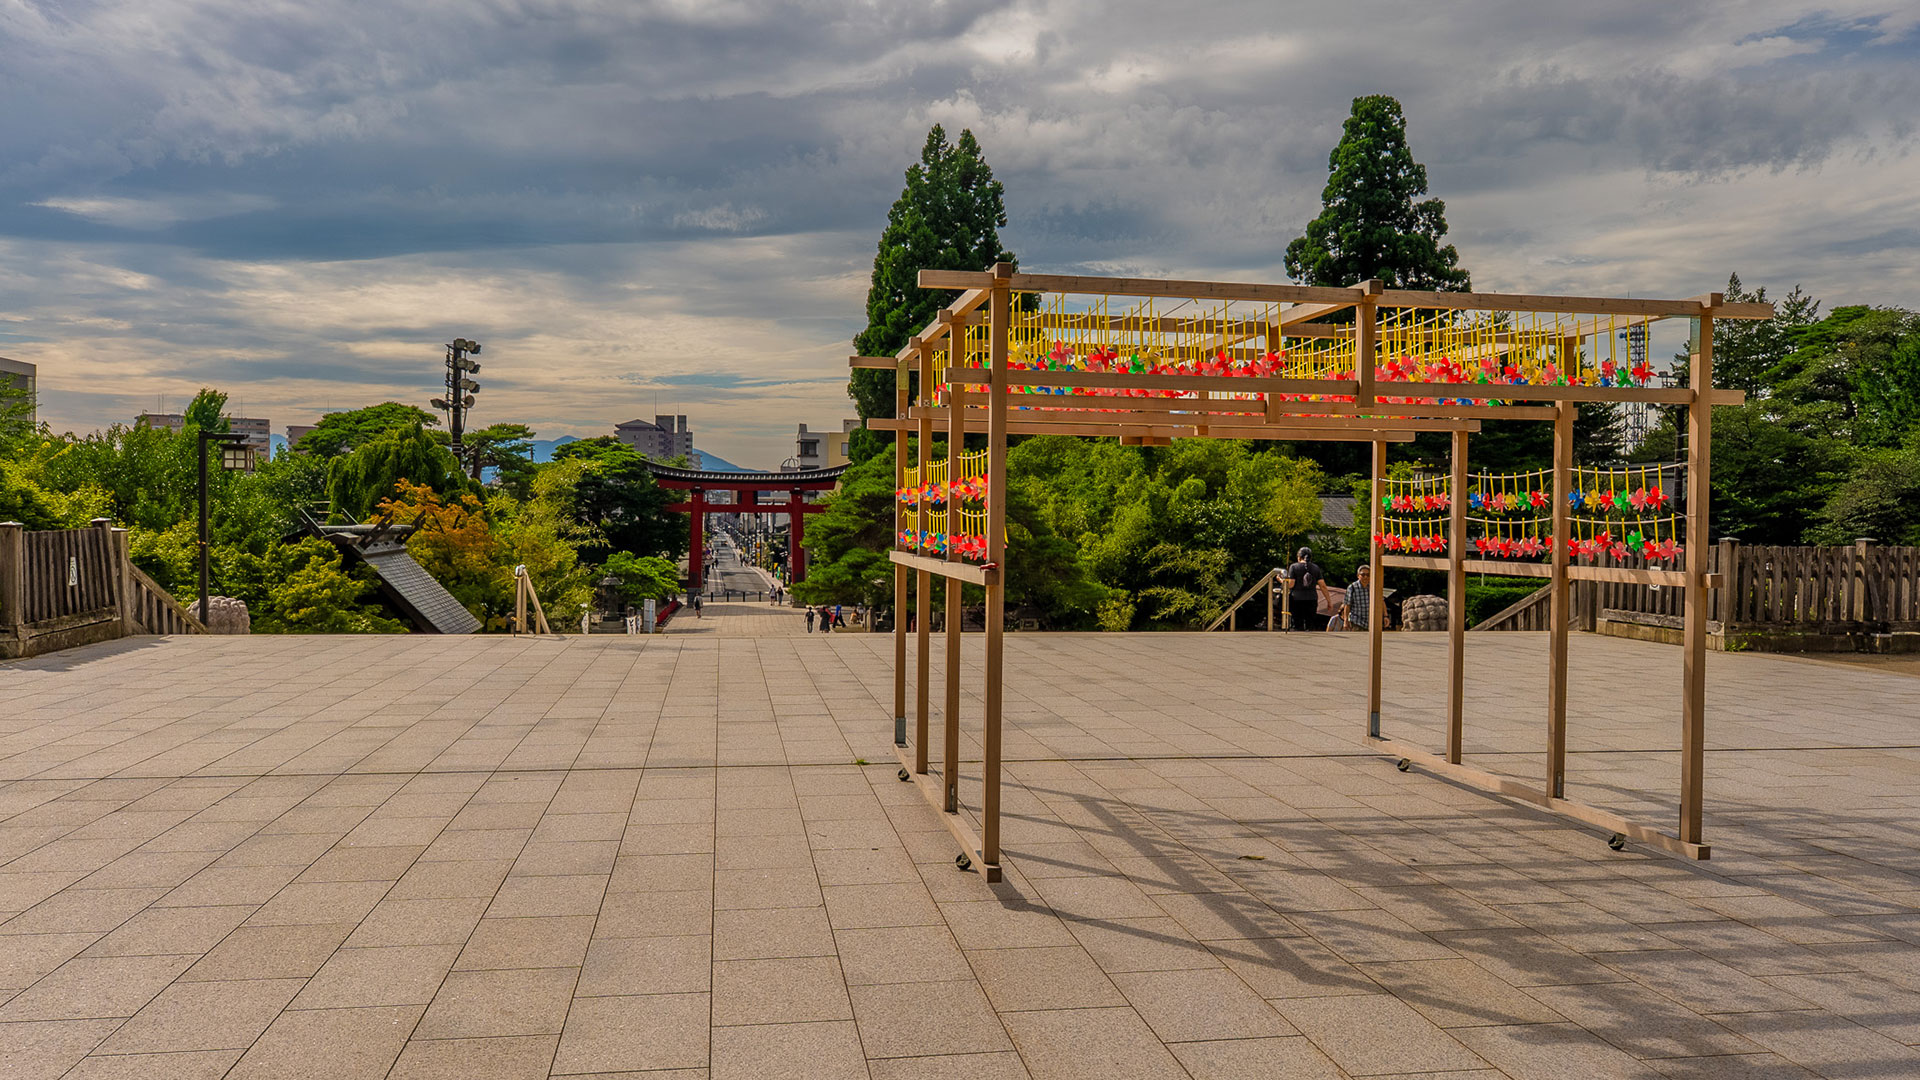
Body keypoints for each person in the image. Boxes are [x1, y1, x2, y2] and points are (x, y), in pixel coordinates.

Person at [1284, 547, 1327, 631]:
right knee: (1310, 624)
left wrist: (1282, 581)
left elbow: (1291, 584)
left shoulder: (1293, 567)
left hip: (1296, 599)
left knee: (1297, 624)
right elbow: (1323, 586)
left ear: (1299, 557)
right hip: (1312, 598)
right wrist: (1329, 601)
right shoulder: (1316, 568)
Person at [1341, 565, 1371, 631]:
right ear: (1358, 576)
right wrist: (1345, 620)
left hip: (1371, 622)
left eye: (1368, 575)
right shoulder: (1352, 587)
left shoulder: (1374, 587)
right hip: (1356, 621)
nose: (1365, 577)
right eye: (1363, 575)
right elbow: (1347, 605)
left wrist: (1385, 616)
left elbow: (1381, 602)